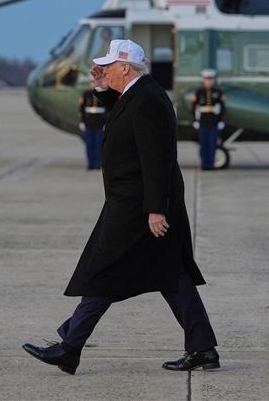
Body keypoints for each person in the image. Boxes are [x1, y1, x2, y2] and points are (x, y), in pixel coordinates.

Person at [23, 39, 219, 374]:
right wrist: (101, 88)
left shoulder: (148, 101)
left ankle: (70, 347)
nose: (103, 70)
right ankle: (203, 349)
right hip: (138, 202)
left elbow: (156, 159)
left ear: (125, 67)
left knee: (103, 272)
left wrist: (156, 209)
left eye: (108, 66)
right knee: (172, 276)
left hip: (137, 206)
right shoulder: (141, 94)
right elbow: (123, 111)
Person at [191, 69, 226, 170]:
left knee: (212, 145)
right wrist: (195, 120)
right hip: (203, 122)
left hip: (214, 122)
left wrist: (221, 121)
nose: (208, 81)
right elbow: (194, 106)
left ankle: (211, 165)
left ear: (213, 80)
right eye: (206, 79)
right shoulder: (199, 91)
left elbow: (223, 107)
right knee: (203, 145)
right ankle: (204, 164)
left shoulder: (218, 92)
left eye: (210, 79)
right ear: (203, 80)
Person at [78, 80, 107, 170]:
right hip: (89, 124)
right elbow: (81, 109)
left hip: (99, 124)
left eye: (95, 83)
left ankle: (97, 164)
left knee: (98, 145)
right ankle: (90, 164)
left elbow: (107, 110)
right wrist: (82, 122)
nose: (93, 85)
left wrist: (106, 123)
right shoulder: (86, 94)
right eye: (92, 83)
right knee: (89, 145)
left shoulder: (103, 94)